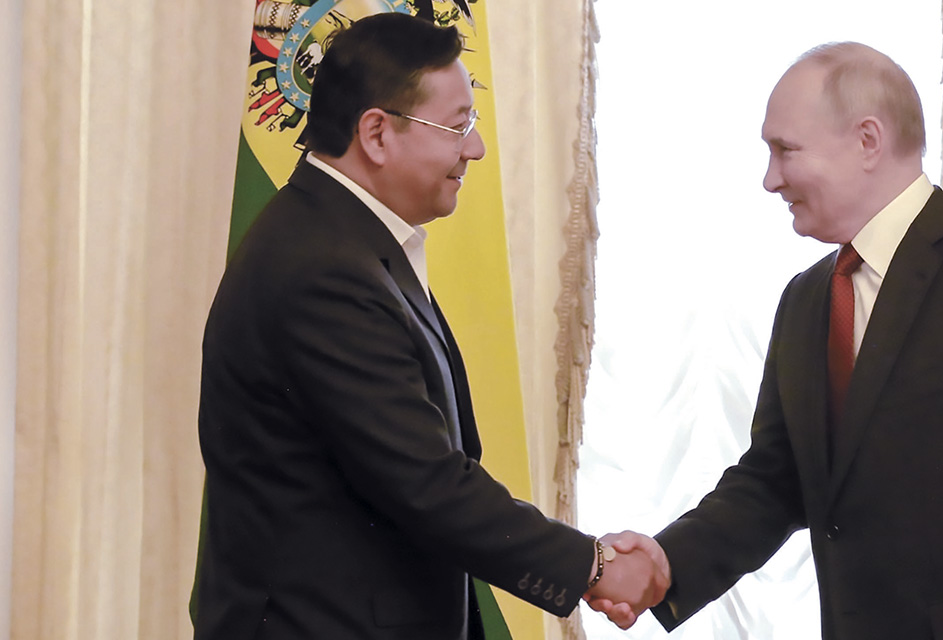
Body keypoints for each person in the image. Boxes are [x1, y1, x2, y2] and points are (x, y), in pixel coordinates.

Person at [590, 42, 943, 639]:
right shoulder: (807, 300)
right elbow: (776, 480)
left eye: (784, 151)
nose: (770, 179)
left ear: (867, 140)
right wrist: (668, 562)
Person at [192, 13, 665, 640]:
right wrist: (593, 566)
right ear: (377, 133)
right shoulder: (321, 270)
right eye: (458, 125)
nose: (475, 147)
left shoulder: (344, 239)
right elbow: (426, 482)